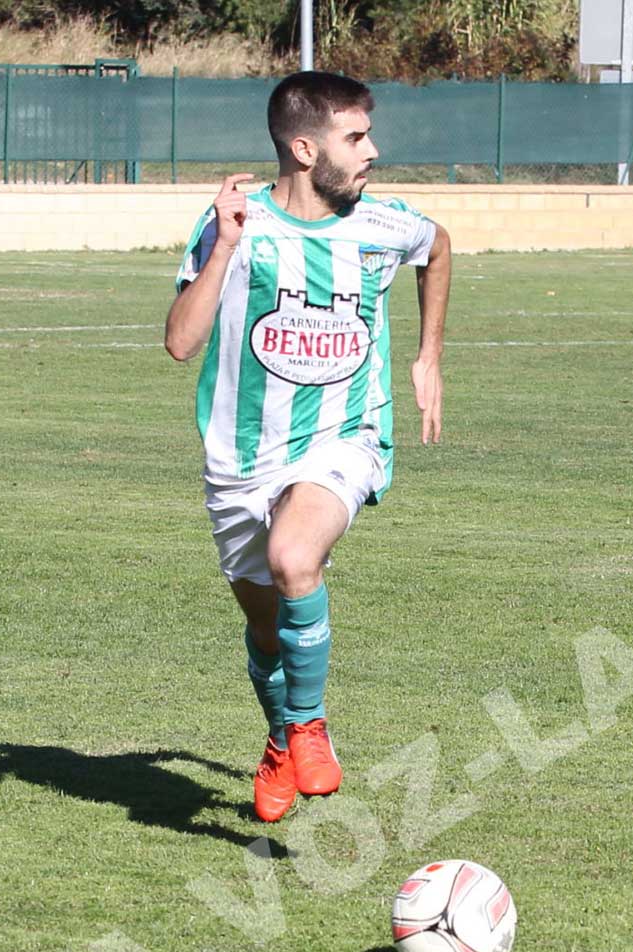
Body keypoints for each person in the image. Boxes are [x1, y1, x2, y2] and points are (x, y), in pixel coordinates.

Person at [165, 71, 451, 823]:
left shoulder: (383, 223)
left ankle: (310, 723)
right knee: (266, 629)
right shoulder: (235, 223)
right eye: (355, 138)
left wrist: (428, 354)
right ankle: (281, 736)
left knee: (296, 557)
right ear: (303, 148)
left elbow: (437, 247)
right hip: (240, 456)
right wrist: (225, 246)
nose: (372, 151)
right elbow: (181, 342)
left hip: (345, 437)